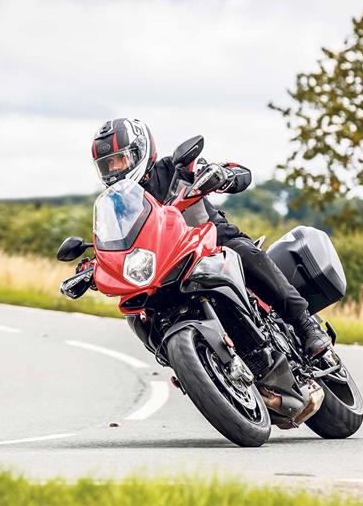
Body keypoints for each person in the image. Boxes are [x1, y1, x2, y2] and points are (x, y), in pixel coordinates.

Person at [90, 117, 330, 358]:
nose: (114, 170)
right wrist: (95, 265)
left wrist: (225, 176)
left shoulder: (175, 168)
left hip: (214, 242)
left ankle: (305, 324)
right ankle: (186, 360)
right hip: (165, 267)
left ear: (141, 150)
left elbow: (240, 172)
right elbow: (116, 241)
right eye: (107, 165)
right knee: (138, 311)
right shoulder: (120, 206)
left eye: (120, 160)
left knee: (244, 253)